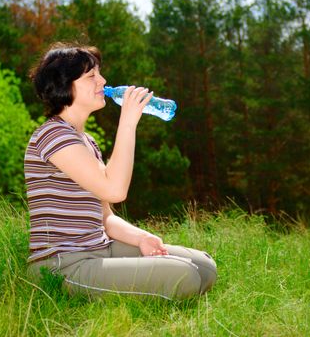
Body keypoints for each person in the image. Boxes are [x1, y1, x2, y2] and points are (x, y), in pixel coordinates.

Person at [24, 42, 217, 300]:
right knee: (186, 276)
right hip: (64, 265)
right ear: (64, 84)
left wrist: (142, 237)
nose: (102, 81)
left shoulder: (85, 141)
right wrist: (127, 121)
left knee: (204, 267)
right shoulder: (52, 135)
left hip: (101, 249)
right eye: (91, 76)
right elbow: (115, 190)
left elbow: (105, 216)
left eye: (100, 73)